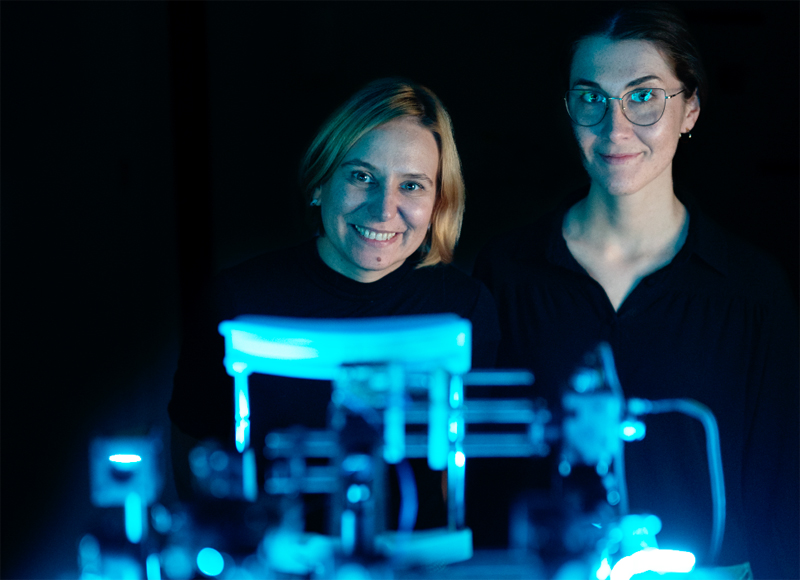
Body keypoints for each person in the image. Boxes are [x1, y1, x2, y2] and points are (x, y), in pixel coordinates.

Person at [473, 4, 798, 578]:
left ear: (690, 109)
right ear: (569, 108)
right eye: (591, 98)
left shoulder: (751, 291)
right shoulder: (506, 275)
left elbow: (781, 492)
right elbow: (480, 475)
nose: (615, 127)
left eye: (644, 96)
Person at [169, 77, 500, 533]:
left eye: (412, 186)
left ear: (438, 204)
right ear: (321, 182)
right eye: (362, 176)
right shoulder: (238, 301)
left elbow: (473, 479)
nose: (384, 209)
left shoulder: (464, 308)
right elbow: (194, 449)